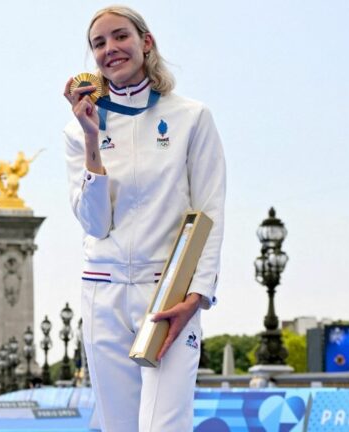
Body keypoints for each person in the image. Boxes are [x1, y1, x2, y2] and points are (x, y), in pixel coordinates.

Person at [62, 6, 225, 432]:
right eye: (99, 43)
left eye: (120, 37)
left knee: (165, 426)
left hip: (167, 293)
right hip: (102, 294)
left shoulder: (192, 117)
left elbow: (210, 211)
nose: (110, 49)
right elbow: (95, 224)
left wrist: (198, 295)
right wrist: (92, 139)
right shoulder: (78, 129)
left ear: (145, 42)